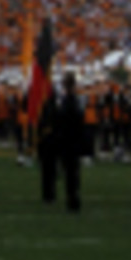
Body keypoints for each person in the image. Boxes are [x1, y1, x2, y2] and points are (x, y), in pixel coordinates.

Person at [56, 71, 84, 212]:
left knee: (70, 173)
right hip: (74, 141)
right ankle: (73, 198)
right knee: (73, 173)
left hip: (67, 141)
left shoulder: (67, 101)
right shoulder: (74, 101)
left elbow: (62, 120)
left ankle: (72, 200)